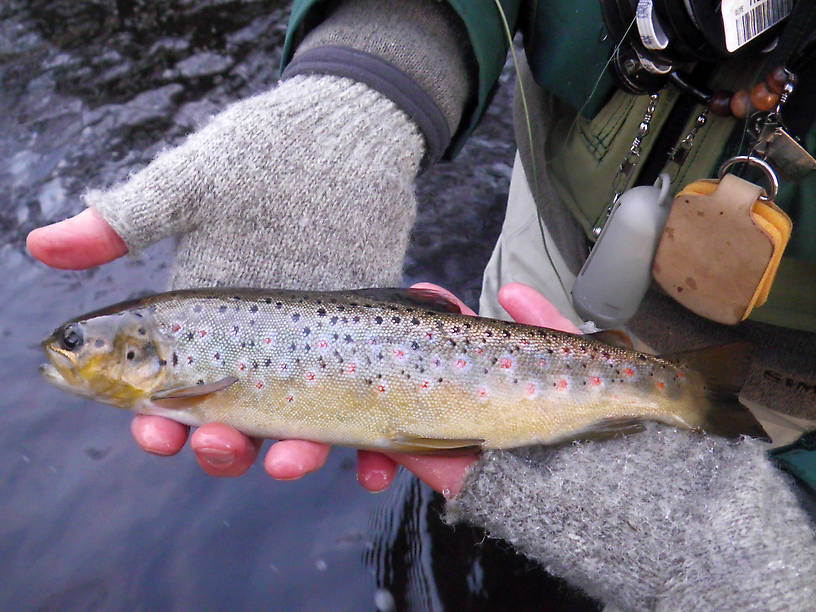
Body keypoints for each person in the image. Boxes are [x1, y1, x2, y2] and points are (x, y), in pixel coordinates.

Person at [27, 0, 816, 609]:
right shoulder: (174, 361)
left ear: (136, 358)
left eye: (75, 344)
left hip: (798, 394)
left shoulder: (175, 377)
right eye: (74, 342)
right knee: (498, 535)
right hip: (549, 251)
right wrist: (381, 62)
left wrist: (749, 573)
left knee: (609, 541)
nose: (63, 353)